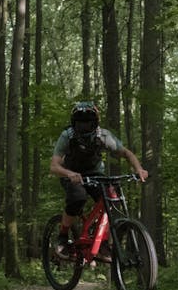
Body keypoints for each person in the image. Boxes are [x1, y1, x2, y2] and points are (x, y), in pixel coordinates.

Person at [49, 101, 148, 258]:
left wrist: (139, 169)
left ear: (95, 122)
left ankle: (102, 240)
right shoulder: (67, 136)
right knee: (77, 198)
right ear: (74, 123)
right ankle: (62, 236)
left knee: (111, 197)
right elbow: (54, 166)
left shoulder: (103, 136)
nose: (84, 126)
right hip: (71, 174)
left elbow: (126, 153)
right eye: (80, 123)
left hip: (94, 174)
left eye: (88, 123)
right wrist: (69, 174)